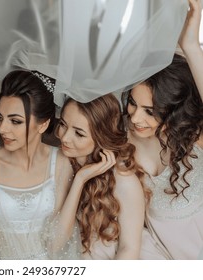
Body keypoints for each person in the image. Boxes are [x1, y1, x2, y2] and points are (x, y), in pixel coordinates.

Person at [0, 70, 81, 259]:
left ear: (43, 125)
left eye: (15, 121)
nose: (2, 129)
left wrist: (80, 181)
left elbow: (58, 243)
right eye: (0, 117)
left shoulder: (61, 162)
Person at [122, 0, 203, 259]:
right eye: (133, 103)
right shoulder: (121, 145)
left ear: (173, 110)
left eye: (150, 111)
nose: (135, 117)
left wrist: (190, 45)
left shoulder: (195, 140)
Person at [55, 93, 148, 259]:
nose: (65, 137)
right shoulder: (60, 163)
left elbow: (129, 249)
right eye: (63, 124)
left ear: (101, 137)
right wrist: (80, 180)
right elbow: (56, 243)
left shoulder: (124, 181)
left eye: (79, 133)